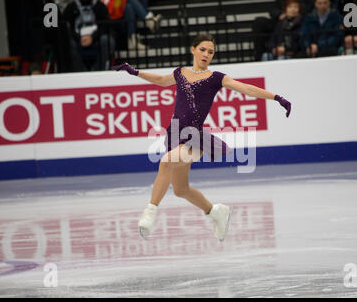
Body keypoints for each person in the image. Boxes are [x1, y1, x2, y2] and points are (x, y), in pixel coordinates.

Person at [112, 33, 292, 241]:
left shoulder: (216, 78)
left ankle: (150, 212)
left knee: (165, 162)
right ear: (193, 49)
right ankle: (216, 211)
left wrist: (276, 97)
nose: (206, 54)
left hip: (194, 137)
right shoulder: (180, 73)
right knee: (181, 189)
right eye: (203, 49)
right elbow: (161, 81)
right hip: (175, 133)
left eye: (211, 52)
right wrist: (134, 72)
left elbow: (246, 89)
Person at [63, 0, 115, 71]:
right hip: (78, 40)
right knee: (69, 43)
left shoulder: (100, 6)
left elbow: (105, 26)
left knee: (107, 40)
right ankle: (79, 72)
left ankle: (98, 70)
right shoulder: (71, 7)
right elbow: (67, 28)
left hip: (96, 39)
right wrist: (78, 38)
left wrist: (92, 38)